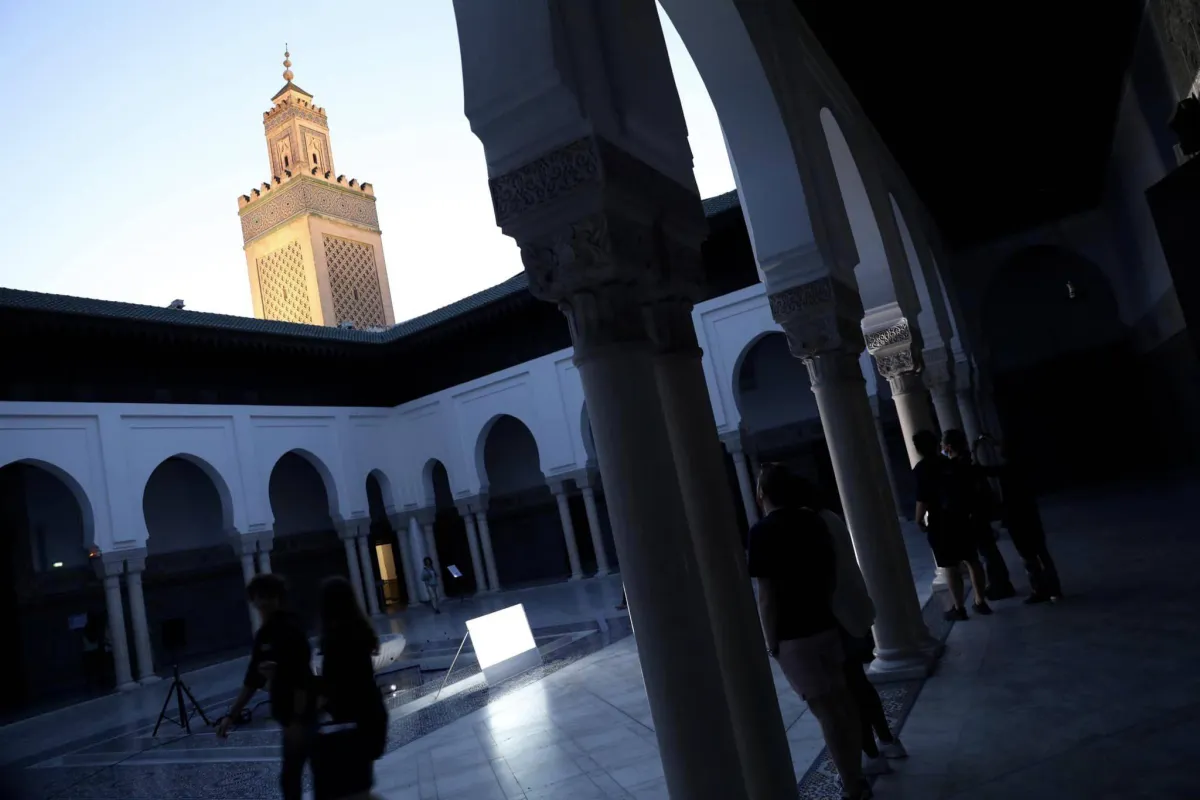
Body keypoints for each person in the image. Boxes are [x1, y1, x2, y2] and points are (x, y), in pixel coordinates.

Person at [748, 463, 869, 800]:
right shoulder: (813, 521)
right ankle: (856, 773)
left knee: (825, 711)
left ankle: (851, 784)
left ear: (762, 494)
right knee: (843, 702)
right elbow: (830, 572)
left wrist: (771, 641)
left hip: (793, 634)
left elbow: (767, 595)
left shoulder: (761, 532)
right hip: (825, 623)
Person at [791, 476, 907, 776]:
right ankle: (887, 740)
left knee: (849, 691)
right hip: (853, 611)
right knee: (858, 683)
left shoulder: (812, 524)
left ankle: (871, 753)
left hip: (837, 616)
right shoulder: (829, 517)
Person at [216, 574, 316, 800]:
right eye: (258, 597)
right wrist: (231, 716)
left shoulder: (290, 627)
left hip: (301, 715)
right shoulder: (264, 635)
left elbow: (301, 675)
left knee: (296, 776)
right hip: (290, 717)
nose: (262, 602)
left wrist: (297, 719)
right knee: (294, 777)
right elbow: (252, 679)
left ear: (278, 598)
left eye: (267, 596)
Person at [311, 577, 388, 800]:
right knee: (359, 791)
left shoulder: (336, 639)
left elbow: (338, 684)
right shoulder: (359, 632)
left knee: (353, 794)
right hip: (369, 716)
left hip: (354, 723)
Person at [912, 430, 992, 621]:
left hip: (940, 523)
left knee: (949, 566)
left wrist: (918, 520)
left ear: (918, 449)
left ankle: (959, 607)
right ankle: (980, 600)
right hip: (961, 518)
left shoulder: (922, 469)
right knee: (972, 559)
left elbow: (922, 499)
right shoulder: (951, 464)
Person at [977, 436, 1063, 604]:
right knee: (1041, 552)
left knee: (1028, 555)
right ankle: (1054, 589)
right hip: (1030, 514)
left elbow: (988, 471)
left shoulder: (1009, 469)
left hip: (1017, 518)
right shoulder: (1022, 466)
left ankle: (1040, 589)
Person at [942, 429, 1016, 600]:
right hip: (979, 512)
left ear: (948, 447)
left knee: (986, 552)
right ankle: (1001, 583)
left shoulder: (955, 467)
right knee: (989, 550)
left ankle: (1000, 585)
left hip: (972, 516)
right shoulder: (967, 463)